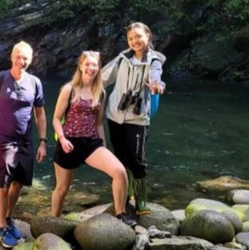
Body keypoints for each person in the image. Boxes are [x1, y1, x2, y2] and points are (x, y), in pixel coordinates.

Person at [51, 51, 136, 226]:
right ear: (81, 66)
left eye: (95, 65)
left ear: (99, 68)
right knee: (62, 189)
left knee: (119, 172)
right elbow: (56, 119)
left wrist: (103, 146)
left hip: (91, 143)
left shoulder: (101, 92)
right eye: (88, 64)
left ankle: (121, 213)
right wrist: (62, 139)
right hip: (69, 142)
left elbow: (98, 124)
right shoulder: (69, 89)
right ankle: (54, 221)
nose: (91, 68)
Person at [0, 41, 47, 248]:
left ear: (31, 60)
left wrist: (43, 141)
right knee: (3, 184)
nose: (22, 61)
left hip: (25, 141)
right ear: (12, 57)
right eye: (19, 57)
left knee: (18, 183)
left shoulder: (35, 82)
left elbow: (40, 114)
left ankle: (7, 217)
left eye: (26, 58)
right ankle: (0, 226)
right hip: (2, 139)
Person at [101, 22, 166, 215]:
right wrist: (79, 85)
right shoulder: (122, 58)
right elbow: (103, 77)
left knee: (138, 160)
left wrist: (156, 86)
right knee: (120, 158)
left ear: (148, 36)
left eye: (138, 36)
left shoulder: (154, 61)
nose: (135, 41)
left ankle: (141, 203)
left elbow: (157, 78)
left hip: (137, 119)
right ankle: (125, 195)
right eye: (131, 38)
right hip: (114, 115)